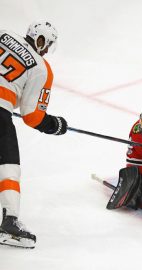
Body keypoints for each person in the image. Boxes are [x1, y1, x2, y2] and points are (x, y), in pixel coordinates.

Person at [0, 21, 67, 248]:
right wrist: (55, 124)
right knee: (9, 166)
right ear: (40, 40)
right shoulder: (41, 67)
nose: (46, 49)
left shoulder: (4, 32)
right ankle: (9, 222)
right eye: (46, 44)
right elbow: (32, 116)